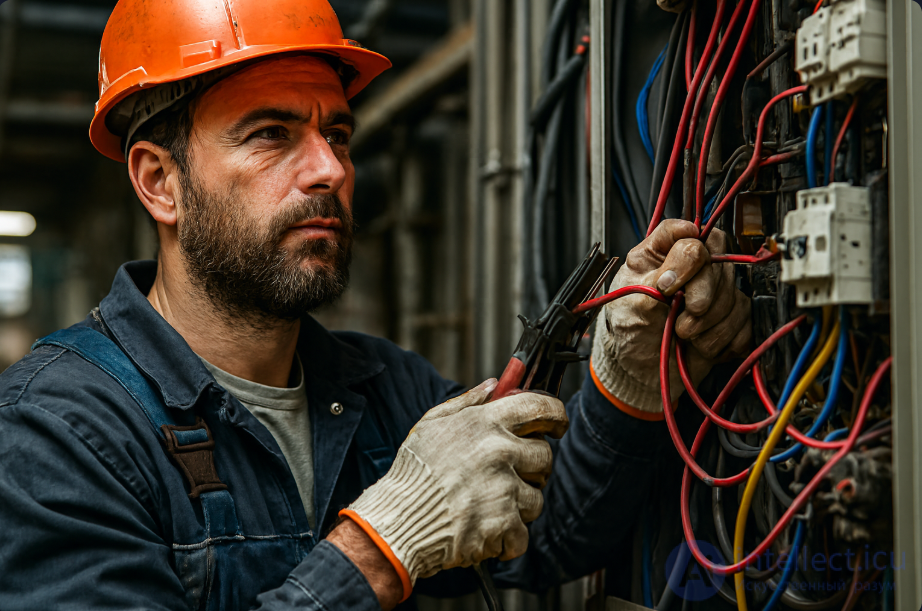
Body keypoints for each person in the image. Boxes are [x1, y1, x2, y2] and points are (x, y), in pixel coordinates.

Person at [0, 1, 751, 609]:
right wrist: (378, 546)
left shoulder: (376, 387)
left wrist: (628, 383)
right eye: (272, 134)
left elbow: (547, 535)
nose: (330, 168)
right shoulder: (55, 432)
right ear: (160, 182)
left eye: (337, 133)